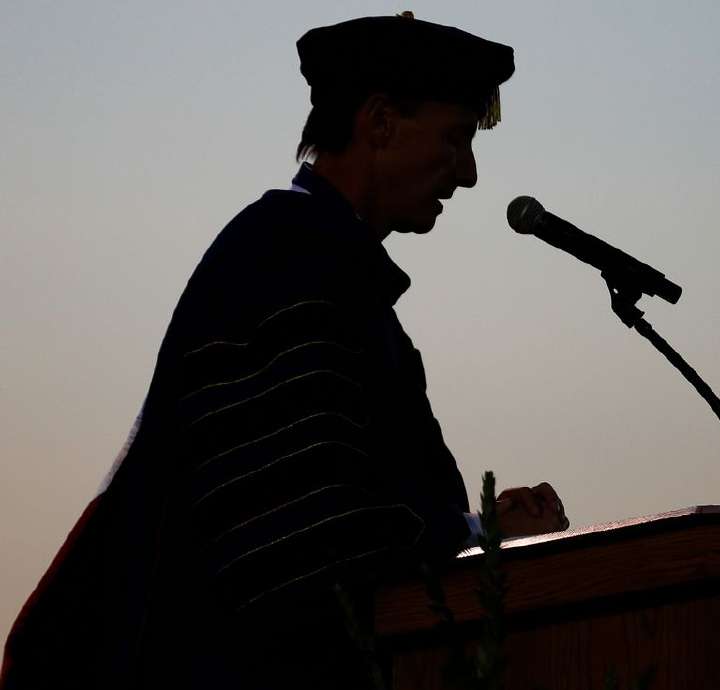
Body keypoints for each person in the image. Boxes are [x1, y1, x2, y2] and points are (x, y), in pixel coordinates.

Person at [1, 13, 566, 690]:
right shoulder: (283, 261)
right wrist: (485, 535)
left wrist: (479, 529)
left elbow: (348, 523)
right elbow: (307, 550)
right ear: (380, 121)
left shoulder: (323, 269)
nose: (469, 174)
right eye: (454, 139)